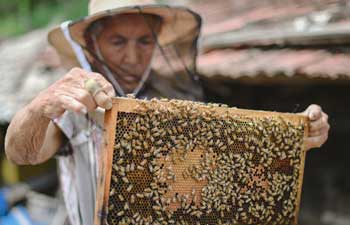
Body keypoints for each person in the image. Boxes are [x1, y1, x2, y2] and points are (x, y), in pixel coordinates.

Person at [4, 0, 330, 224]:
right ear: (93, 42)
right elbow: (22, 153)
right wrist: (39, 106)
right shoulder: (74, 104)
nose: (133, 55)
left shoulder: (174, 103)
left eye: (144, 41)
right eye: (118, 41)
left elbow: (222, 170)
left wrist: (294, 140)